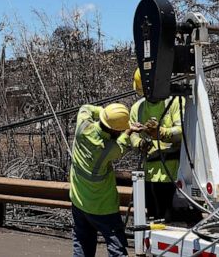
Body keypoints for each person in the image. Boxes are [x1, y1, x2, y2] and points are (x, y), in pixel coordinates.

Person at [70, 103, 143, 257]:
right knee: (116, 246)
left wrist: (106, 112)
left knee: (82, 243)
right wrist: (129, 131)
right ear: (115, 130)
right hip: (103, 207)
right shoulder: (109, 150)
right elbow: (122, 144)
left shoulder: (83, 126)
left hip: (78, 200)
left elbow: (85, 108)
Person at [129, 68, 183, 222]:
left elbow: (182, 131)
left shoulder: (174, 102)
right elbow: (132, 134)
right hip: (149, 175)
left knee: (171, 223)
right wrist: (139, 143)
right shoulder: (137, 108)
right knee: (154, 222)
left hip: (173, 175)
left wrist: (160, 132)